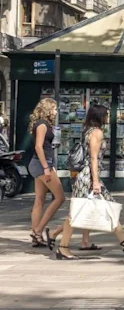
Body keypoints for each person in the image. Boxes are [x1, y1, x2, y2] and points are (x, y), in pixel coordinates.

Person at [54, 105, 124, 259]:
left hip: (88, 175)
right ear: (100, 116)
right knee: (75, 212)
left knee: (108, 206)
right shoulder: (96, 132)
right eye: (106, 115)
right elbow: (93, 158)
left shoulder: (87, 130)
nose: (108, 117)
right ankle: (62, 247)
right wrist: (95, 181)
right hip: (89, 176)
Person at [27, 98, 66, 249]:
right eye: (54, 108)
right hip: (42, 164)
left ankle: (36, 236)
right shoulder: (42, 125)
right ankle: (38, 230)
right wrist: (46, 167)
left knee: (40, 200)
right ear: (48, 109)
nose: (56, 111)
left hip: (40, 164)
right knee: (60, 197)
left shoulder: (42, 124)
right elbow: (38, 146)